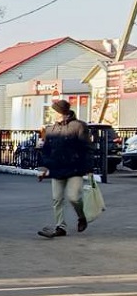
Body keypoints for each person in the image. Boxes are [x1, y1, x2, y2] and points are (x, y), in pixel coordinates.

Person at [37, 99, 92, 238]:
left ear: (63, 113)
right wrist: (43, 168)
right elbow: (47, 150)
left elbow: (86, 148)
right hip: (57, 169)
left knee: (74, 197)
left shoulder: (79, 126)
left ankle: (82, 217)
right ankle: (60, 227)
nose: (52, 113)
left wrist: (88, 168)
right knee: (57, 199)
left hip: (75, 168)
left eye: (54, 111)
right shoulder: (51, 129)